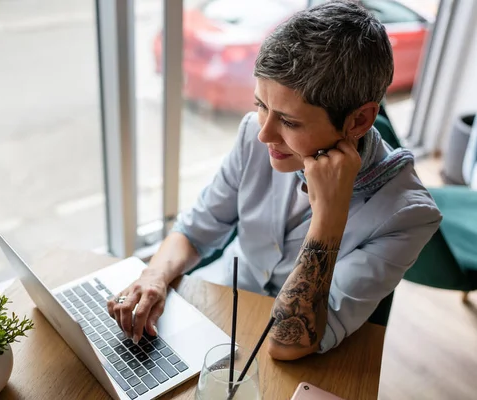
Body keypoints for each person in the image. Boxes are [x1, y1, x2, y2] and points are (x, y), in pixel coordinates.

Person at [107, 0, 442, 360]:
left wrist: (328, 220)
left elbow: (289, 344)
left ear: (359, 121)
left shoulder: (408, 216)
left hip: (295, 357)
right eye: (261, 106)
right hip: (218, 300)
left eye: (289, 121)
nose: (264, 135)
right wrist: (154, 276)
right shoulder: (256, 134)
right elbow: (196, 230)